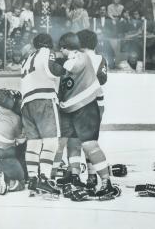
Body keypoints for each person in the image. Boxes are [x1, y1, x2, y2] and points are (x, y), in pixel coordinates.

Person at [58, 32, 118, 200]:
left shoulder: (78, 57)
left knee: (76, 142)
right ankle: (92, 176)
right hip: (96, 101)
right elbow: (103, 79)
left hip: (83, 103)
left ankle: (78, 175)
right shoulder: (100, 58)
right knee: (89, 142)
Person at [20, 33, 64, 197]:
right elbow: (54, 70)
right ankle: (44, 178)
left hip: (26, 103)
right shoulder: (46, 52)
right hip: (43, 98)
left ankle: (32, 178)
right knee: (51, 141)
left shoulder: (27, 58)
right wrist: (65, 67)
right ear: (48, 43)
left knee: (34, 142)